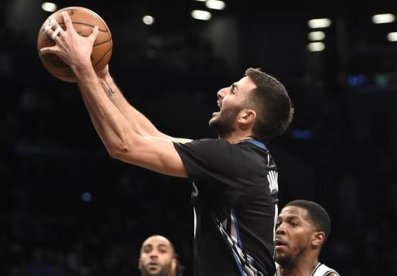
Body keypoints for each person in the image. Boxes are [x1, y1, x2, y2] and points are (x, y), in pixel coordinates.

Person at [40, 12, 294, 275]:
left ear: (246, 117)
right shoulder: (251, 159)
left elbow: (124, 145)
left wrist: (83, 69)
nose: (220, 92)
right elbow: (150, 135)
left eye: (232, 91)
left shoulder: (230, 160)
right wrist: (103, 77)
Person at [274, 200, 340, 276]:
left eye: (293, 223)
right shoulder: (263, 270)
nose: (279, 229)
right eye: (278, 224)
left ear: (317, 238)